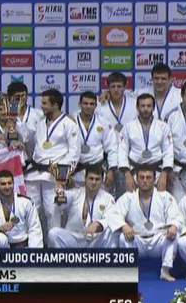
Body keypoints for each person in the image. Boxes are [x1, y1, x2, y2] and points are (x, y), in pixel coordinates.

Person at [20, 88, 81, 238]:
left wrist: (62, 175)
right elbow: (25, 136)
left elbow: (74, 153)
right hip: (34, 174)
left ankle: (54, 245)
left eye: (45, 103)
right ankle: (33, 245)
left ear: (55, 105)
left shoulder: (69, 124)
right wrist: (13, 119)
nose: (42, 106)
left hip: (54, 175)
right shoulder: (41, 123)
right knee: (31, 211)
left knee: (52, 212)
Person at [108, 168, 183, 282]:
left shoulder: (164, 196)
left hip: (158, 240)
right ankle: (130, 271)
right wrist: (124, 226)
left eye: (148, 177)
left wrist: (174, 225)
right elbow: (113, 214)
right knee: (123, 237)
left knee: (174, 235)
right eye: (142, 177)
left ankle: (165, 271)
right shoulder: (128, 197)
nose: (145, 180)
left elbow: (177, 216)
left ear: (154, 179)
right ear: (136, 179)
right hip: (137, 239)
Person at [48, 166, 116, 249]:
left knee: (110, 231)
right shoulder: (76, 193)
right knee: (53, 233)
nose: (94, 182)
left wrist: (98, 224)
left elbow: (112, 218)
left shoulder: (108, 198)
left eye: (97, 179)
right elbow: (61, 201)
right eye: (91, 178)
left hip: (95, 242)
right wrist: (60, 193)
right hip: (74, 238)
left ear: (102, 181)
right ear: (85, 179)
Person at [118, 93, 174, 192]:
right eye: (142, 106)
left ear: (153, 108)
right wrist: (127, 174)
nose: (145, 109)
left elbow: (168, 151)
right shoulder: (128, 127)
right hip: (134, 172)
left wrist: (164, 174)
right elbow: (122, 151)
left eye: (148, 106)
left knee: (158, 199)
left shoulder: (163, 127)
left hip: (157, 172)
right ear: (137, 107)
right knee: (133, 200)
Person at [96, 72, 139, 198]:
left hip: (129, 157)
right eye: (113, 86)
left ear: (125, 87)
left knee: (127, 197)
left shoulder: (134, 104)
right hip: (106, 157)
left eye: (119, 86)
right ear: (107, 87)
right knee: (105, 197)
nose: (116, 90)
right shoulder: (100, 106)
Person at [72, 91, 117, 189]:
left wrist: (111, 170)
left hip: (97, 171)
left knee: (99, 197)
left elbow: (112, 148)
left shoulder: (103, 123)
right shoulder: (70, 122)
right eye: (85, 103)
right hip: (76, 172)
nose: (88, 106)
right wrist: (65, 173)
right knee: (77, 198)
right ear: (79, 104)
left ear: (96, 106)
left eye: (92, 104)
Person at [0, 170, 43, 247]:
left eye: (9, 183)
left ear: (13, 183)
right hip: (2, 247)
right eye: (3, 184)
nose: (7, 187)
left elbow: (35, 229)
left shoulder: (26, 202)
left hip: (23, 246)